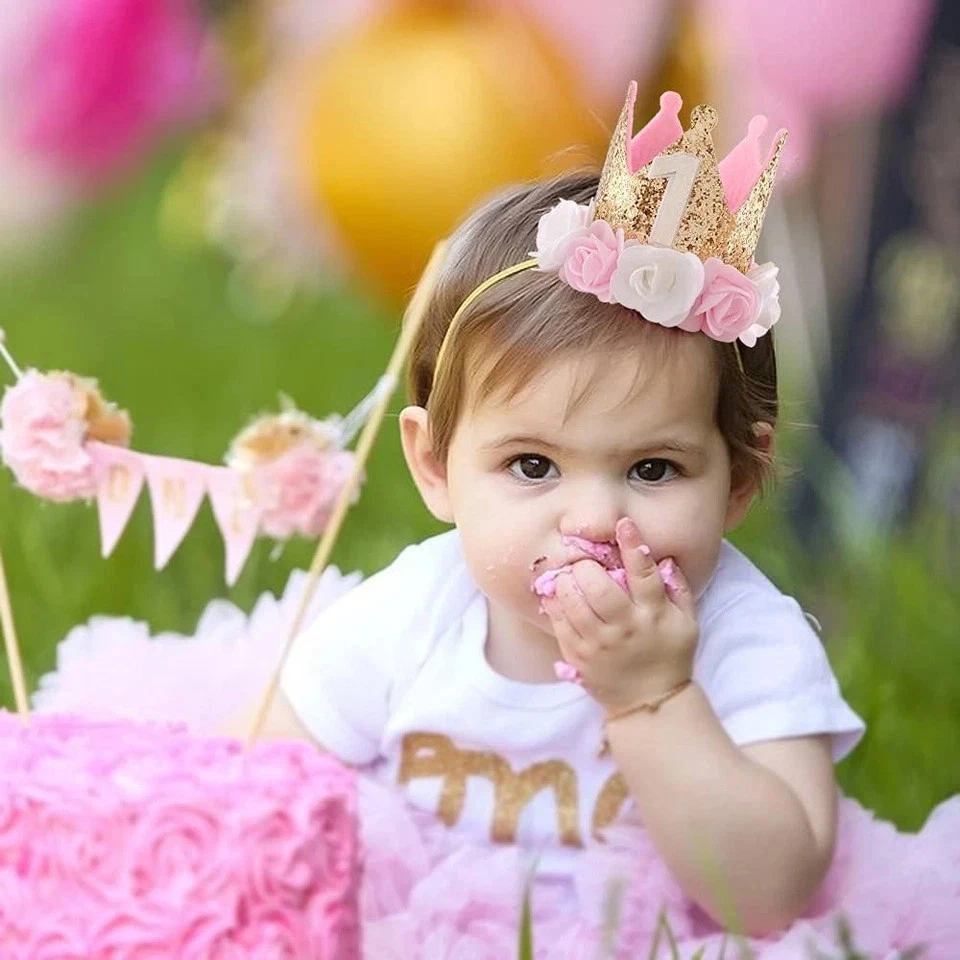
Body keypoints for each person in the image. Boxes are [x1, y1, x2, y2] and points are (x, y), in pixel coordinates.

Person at [250, 85, 869, 939]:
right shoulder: (411, 618)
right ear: (434, 467)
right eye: (532, 465)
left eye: (653, 468)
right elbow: (262, 798)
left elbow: (768, 896)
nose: (589, 515)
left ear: (737, 483)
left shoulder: (745, 639)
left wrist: (653, 699)